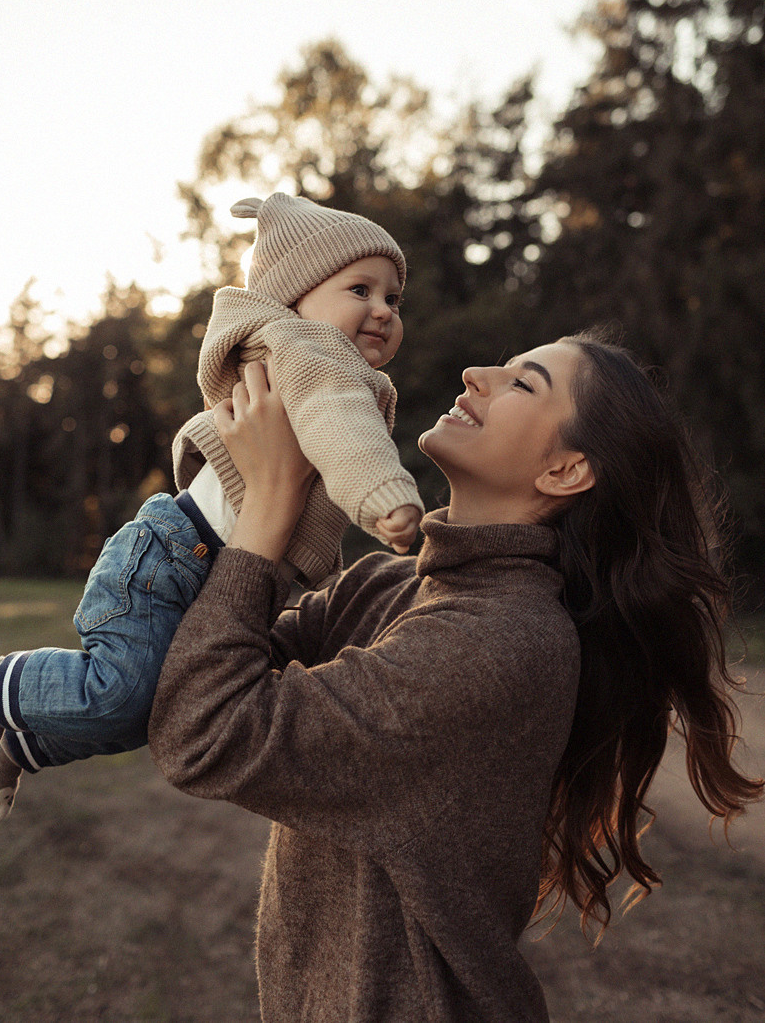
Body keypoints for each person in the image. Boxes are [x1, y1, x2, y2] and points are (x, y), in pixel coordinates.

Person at [147, 331, 763, 1023]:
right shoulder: (390, 584)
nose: (475, 374)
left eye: (522, 384)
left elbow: (204, 728)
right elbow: (183, 661)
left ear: (564, 471)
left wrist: (267, 505)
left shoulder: (498, 642)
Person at [0, 192, 423, 837]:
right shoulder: (310, 352)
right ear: (293, 294)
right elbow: (339, 424)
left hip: (211, 563)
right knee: (118, 695)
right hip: (176, 556)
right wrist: (382, 492)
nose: (383, 311)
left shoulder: (329, 363)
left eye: (393, 299)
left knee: (149, 711)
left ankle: (21, 751)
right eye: (361, 289)